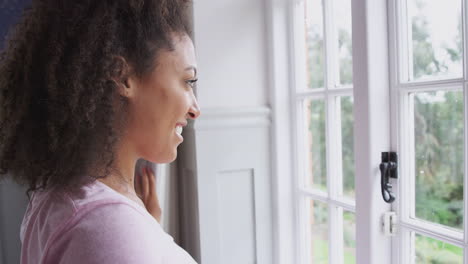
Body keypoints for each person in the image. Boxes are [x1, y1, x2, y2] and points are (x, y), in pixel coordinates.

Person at [0, 0, 200, 263]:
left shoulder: (62, 197)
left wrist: (148, 229)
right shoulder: (109, 229)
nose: (195, 109)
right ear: (122, 76)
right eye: (187, 81)